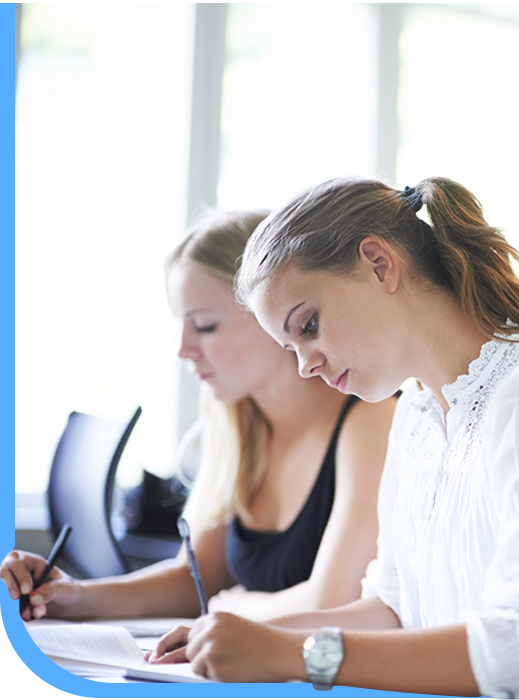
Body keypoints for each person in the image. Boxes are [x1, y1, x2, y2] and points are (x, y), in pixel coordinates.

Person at [146, 177, 519, 695]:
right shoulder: (418, 416)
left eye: (307, 326)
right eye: (290, 349)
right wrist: (246, 636)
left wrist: (293, 654)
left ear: (379, 265)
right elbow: (395, 610)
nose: (306, 366)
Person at [2, 210, 397, 623]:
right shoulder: (238, 426)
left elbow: (334, 600)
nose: (183, 348)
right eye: (181, 325)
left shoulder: (370, 419)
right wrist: (73, 595)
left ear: (272, 315)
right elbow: (196, 580)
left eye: (205, 325)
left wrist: (235, 609)